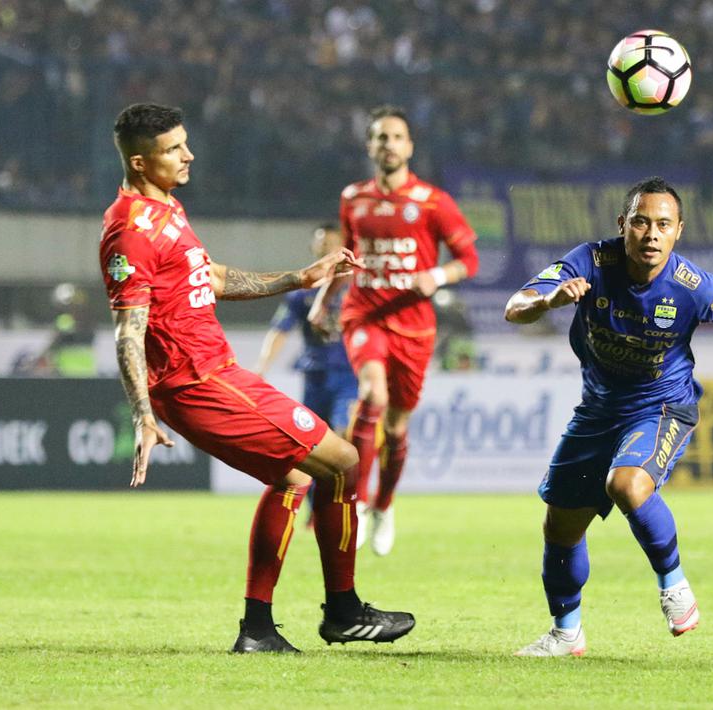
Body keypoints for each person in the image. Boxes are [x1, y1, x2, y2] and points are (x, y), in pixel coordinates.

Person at [99, 103, 414, 654]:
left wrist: (301, 276)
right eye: (175, 148)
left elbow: (213, 278)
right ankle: (342, 610)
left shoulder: (168, 209)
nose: (189, 154)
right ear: (142, 163)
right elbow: (128, 330)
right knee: (342, 462)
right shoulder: (129, 232)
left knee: (293, 480)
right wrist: (142, 414)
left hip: (216, 372)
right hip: (194, 383)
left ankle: (258, 630)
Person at [504, 177, 713, 656]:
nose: (651, 234)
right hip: (598, 409)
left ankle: (674, 583)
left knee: (626, 484)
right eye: (641, 222)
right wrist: (548, 300)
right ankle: (566, 633)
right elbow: (514, 307)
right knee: (560, 525)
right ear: (623, 225)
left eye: (663, 224)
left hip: (661, 405)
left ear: (678, 231)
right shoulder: (589, 261)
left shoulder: (694, 286)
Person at [311, 105, 479, 556]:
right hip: (364, 315)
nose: (388, 145)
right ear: (370, 146)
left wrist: (437, 277)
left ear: (410, 147)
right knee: (372, 394)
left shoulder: (433, 202)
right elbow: (345, 257)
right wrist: (323, 300)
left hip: (415, 326)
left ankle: (384, 505)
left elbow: (469, 259)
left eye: (396, 137)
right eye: (380, 137)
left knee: (398, 426)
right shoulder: (354, 198)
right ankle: (359, 503)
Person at [254, 224, 360, 437]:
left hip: (350, 374)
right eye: (322, 244)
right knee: (313, 440)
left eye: (332, 244)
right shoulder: (302, 292)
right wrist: (261, 368)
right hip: (315, 376)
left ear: (344, 247)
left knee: (345, 433)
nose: (326, 250)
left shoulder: (358, 287)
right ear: (313, 248)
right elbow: (280, 330)